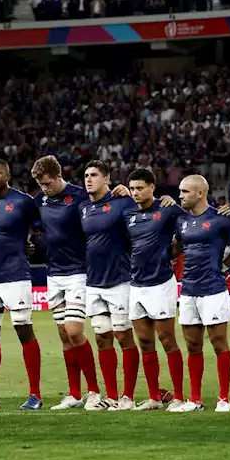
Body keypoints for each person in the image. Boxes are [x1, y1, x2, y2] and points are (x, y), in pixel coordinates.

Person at [81, 161, 158, 410]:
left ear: (107, 179)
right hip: (93, 282)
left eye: (94, 175)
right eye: (86, 175)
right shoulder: (83, 208)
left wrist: (165, 199)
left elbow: (149, 206)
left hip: (120, 280)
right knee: (102, 338)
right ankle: (111, 396)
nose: (89, 179)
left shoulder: (124, 203)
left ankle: (127, 396)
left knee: (124, 337)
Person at [170, 174, 230, 412]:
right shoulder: (181, 221)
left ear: (200, 193)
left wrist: (223, 268)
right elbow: (175, 250)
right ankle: (195, 400)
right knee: (193, 346)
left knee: (218, 344)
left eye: (185, 192)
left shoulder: (221, 220)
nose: (180, 196)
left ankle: (223, 398)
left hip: (213, 289)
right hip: (188, 289)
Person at [31, 156, 100, 410]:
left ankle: (94, 391)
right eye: (40, 184)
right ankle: (74, 393)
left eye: (47, 183)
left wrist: (121, 191)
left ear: (58, 177)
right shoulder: (40, 199)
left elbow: (104, 205)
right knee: (63, 335)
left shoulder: (80, 196)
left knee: (74, 330)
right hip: (53, 273)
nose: (44, 188)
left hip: (78, 271)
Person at [0, 158, 43, 410]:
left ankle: (35, 394)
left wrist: (31, 244)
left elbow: (40, 228)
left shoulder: (23, 201)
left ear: (8, 176)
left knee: (23, 330)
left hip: (16, 276)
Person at [123, 168, 187, 410]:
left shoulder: (167, 209)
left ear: (152, 187)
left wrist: (171, 253)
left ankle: (179, 396)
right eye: (132, 189)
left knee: (167, 340)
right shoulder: (128, 214)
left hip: (161, 283)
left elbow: (188, 228)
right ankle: (154, 397)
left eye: (140, 188)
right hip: (136, 285)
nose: (136, 193)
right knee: (145, 343)